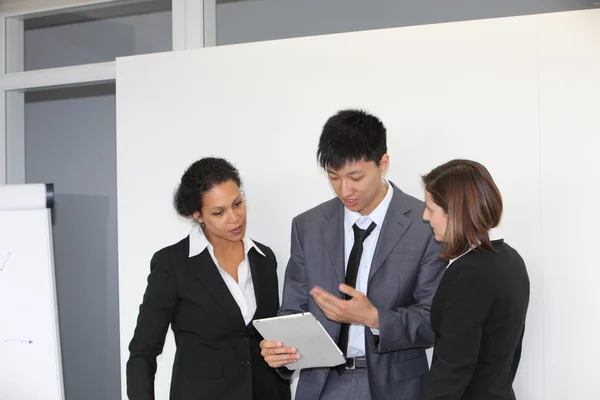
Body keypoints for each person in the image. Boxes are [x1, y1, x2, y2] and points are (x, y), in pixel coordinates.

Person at [260, 109, 447, 400]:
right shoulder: (307, 226)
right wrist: (282, 351)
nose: (344, 190)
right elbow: (293, 311)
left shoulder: (425, 225)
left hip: (394, 387)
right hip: (320, 386)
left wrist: (374, 318)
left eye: (356, 176)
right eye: (334, 177)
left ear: (383, 163)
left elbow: (434, 320)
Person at [126, 157, 291, 400]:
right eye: (218, 212)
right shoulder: (172, 264)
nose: (234, 218)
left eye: (237, 203)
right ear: (198, 215)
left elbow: (272, 342)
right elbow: (143, 351)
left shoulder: (264, 258)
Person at [421, 159, 530, 400]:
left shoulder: (468, 274)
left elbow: (452, 368)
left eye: (430, 208)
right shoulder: (511, 259)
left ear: (455, 212)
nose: (425, 216)